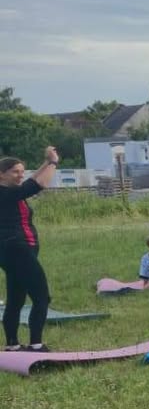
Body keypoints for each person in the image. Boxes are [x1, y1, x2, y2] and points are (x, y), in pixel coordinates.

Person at [1, 147, 58, 352]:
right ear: (1, 174)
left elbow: (30, 181)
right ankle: (36, 344)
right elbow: (38, 184)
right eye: (15, 172)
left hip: (14, 250)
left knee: (16, 298)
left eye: (22, 171)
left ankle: (12, 345)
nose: (20, 175)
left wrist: (45, 162)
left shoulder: (11, 191)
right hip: (18, 249)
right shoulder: (5, 193)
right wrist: (53, 162)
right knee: (42, 297)